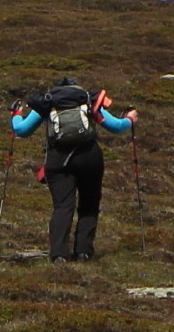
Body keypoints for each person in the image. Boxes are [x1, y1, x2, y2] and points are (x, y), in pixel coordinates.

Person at [10, 77, 137, 261]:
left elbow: (21, 130)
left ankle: (59, 255)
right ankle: (83, 252)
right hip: (90, 157)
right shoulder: (87, 99)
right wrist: (130, 119)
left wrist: (15, 114)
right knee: (89, 205)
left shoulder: (48, 102)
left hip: (58, 159)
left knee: (62, 206)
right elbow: (116, 126)